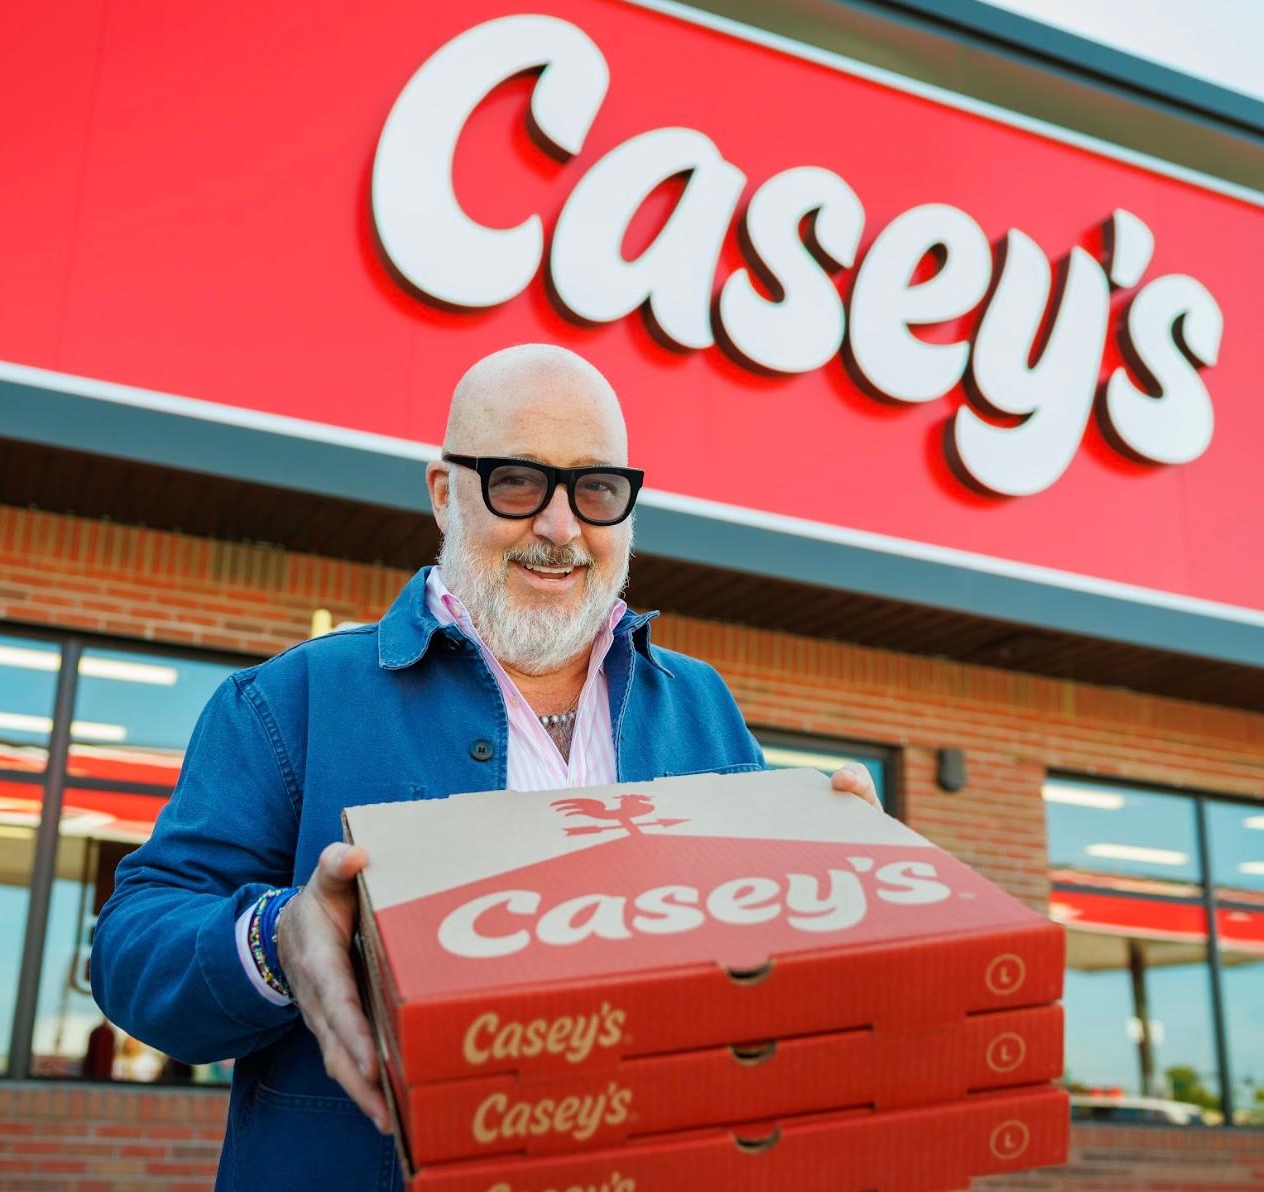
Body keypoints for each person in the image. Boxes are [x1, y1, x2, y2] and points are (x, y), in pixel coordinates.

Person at [89, 344, 880, 1190]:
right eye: (517, 482)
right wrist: (277, 938)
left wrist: (843, 894)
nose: (560, 528)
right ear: (443, 494)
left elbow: (763, 987)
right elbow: (132, 951)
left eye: (597, 491)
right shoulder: (291, 702)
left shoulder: (701, 707)